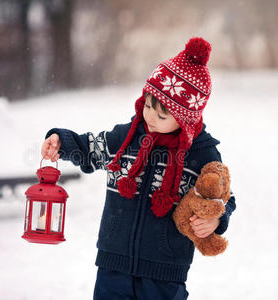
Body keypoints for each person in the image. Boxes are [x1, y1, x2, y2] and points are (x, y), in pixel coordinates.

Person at [41, 37, 236, 300]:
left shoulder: (201, 154)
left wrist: (216, 220)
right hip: (113, 265)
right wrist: (61, 141)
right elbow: (91, 149)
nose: (150, 117)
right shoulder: (127, 138)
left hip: (164, 275)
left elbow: (225, 199)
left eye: (162, 116)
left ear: (185, 119)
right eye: (147, 105)